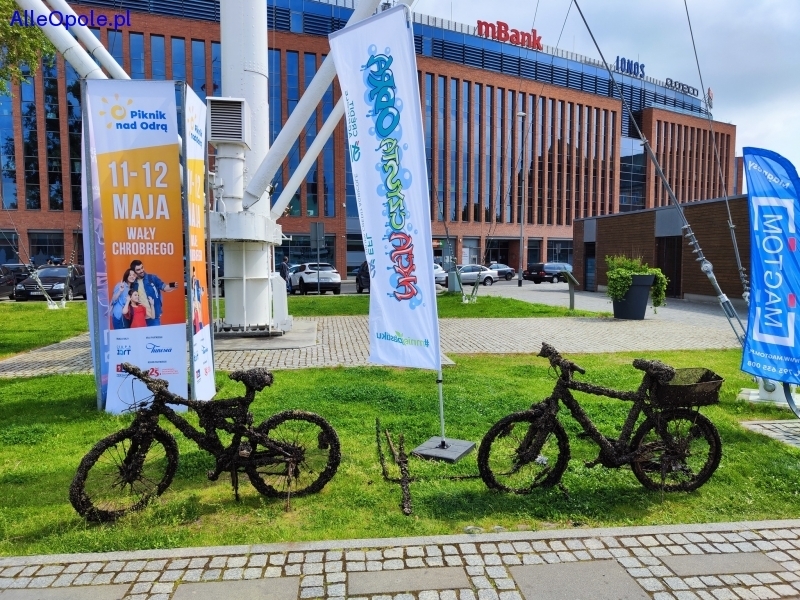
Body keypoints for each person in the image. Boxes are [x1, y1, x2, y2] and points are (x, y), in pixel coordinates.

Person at [130, 259, 177, 326]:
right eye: (138, 270)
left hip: (154, 316)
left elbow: (164, 287)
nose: (141, 270)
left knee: (156, 333)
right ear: (134, 271)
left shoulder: (152, 278)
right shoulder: (133, 283)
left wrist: (173, 286)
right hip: (140, 318)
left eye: (142, 267)